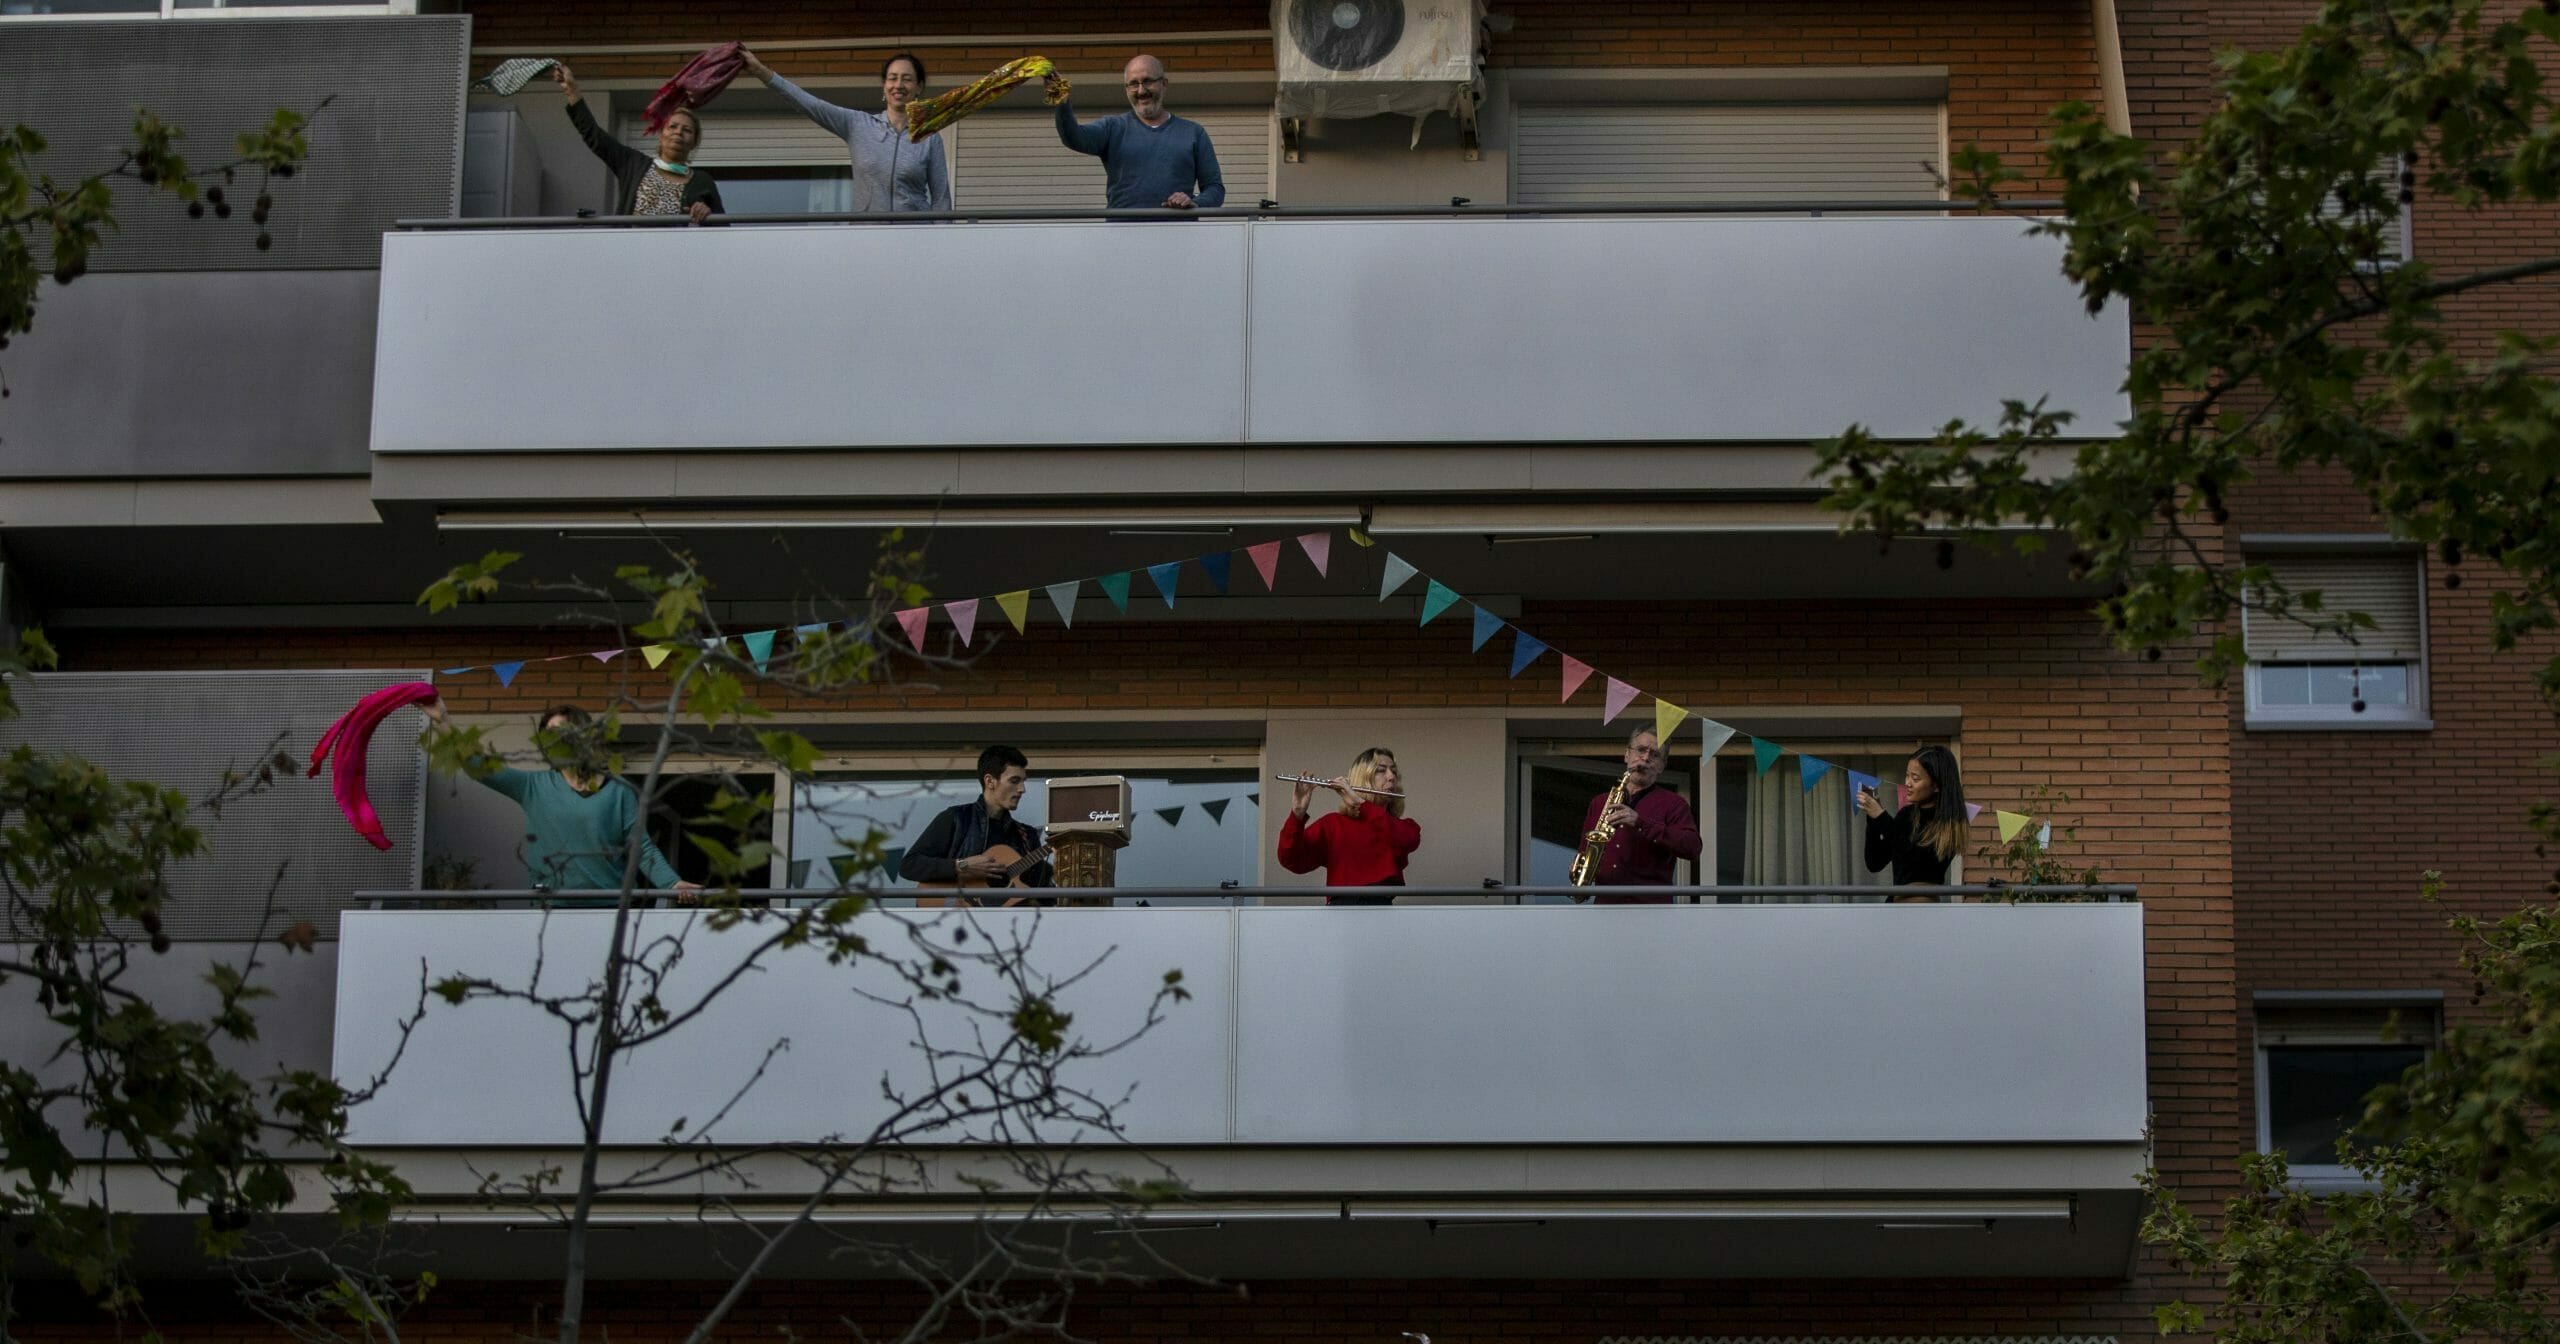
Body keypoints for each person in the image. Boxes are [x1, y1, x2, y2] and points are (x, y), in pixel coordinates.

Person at [421, 701, 703, 901]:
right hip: (549, 910)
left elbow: (641, 846)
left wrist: (672, 883)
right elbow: (475, 765)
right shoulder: (533, 786)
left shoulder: (619, 792)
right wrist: (443, 720)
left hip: (608, 912)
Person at [739, 48, 952, 212]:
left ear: (919, 87)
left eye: (907, 79)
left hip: (915, 241)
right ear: (884, 86)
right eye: (892, 78)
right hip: (866, 241)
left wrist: (941, 245)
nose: (898, 85)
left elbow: (942, 200)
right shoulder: (858, 125)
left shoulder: (929, 138)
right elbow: (811, 105)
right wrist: (760, 71)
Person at [1045, 55, 1225, 210]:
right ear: (1126, 89)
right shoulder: (1112, 127)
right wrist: (1062, 101)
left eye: (1148, 81)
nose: (1141, 91)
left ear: (1164, 84)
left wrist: (1195, 203)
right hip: (1122, 236)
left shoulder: (1193, 133)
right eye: (1133, 84)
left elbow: (1214, 189)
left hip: (1179, 237)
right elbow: (1073, 138)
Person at [551, 64, 723, 223]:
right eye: (672, 126)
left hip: (679, 253)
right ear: (661, 135)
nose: (678, 132)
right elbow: (595, 136)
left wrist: (707, 214)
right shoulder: (633, 164)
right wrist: (571, 90)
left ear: (694, 142)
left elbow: (723, 231)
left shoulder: (702, 181)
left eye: (687, 130)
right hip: (632, 251)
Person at [901, 745, 1055, 901]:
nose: (1022, 789)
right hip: (956, 916)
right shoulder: (956, 819)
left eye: (1023, 781)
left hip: (1008, 922)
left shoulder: (1026, 835)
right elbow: (909, 865)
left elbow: (1041, 894)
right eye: (1014, 781)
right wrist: (962, 866)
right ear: (990, 781)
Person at [1276, 748, 1419, 904]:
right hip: (1342, 910)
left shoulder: (1403, 827)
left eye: (1394, 771)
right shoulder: (1333, 824)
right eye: (1381, 771)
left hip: (1382, 909)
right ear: (1363, 778)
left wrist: (1360, 804)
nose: (1391, 777)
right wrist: (1297, 815)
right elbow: (1291, 860)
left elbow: (1406, 840)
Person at [1577, 727, 1703, 903]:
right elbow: (1585, 851)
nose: (1645, 758)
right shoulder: (1599, 802)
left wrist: (1641, 823)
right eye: (1641, 750)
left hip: (1651, 909)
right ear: (1627, 755)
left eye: (1655, 755)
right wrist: (1579, 870)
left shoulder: (1674, 804)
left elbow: (1693, 848)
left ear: (1662, 766)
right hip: (1605, 906)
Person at [1859, 744, 1972, 901]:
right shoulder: (1906, 815)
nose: (1908, 783)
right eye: (1907, 775)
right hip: (1896, 909)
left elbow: (1914, 859)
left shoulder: (1948, 825)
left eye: (1916, 778)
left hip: (1923, 911)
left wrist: (1880, 817)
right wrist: (1872, 819)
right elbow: (1875, 862)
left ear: (1936, 785)